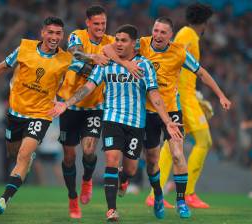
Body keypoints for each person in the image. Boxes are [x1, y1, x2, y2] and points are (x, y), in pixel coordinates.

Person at [49, 24, 183, 222]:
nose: (118, 44)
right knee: (111, 159)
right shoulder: (106, 65)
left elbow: (154, 96)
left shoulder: (144, 65)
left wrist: (168, 121)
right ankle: (111, 210)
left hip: (137, 124)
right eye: (117, 40)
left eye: (123, 40)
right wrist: (66, 104)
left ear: (134, 44)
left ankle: (157, 194)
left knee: (131, 169)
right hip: (112, 119)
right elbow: (88, 87)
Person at [103, 17, 231, 218]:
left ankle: (181, 201)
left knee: (178, 154)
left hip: (171, 112)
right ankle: (136, 183)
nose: (158, 35)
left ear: (171, 35)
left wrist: (221, 95)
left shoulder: (179, 52)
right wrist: (125, 64)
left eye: (163, 32)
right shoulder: (141, 43)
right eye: (156, 30)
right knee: (152, 161)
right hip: (146, 113)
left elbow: (201, 73)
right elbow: (108, 49)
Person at [0, 17, 82, 215]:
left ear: (62, 36)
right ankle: (26, 162)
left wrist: (68, 101)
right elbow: (2, 67)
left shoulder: (66, 59)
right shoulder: (24, 49)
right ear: (42, 33)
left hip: (41, 115)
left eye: (58, 34)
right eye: (50, 32)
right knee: (13, 153)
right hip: (15, 113)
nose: (54, 37)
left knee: (23, 155)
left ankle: (4, 199)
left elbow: (87, 78)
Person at [56, 5, 140, 219]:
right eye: (96, 24)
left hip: (95, 106)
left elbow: (117, 55)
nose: (101, 27)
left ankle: (87, 180)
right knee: (68, 156)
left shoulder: (111, 41)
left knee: (90, 149)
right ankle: (72, 198)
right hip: (70, 104)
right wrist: (94, 58)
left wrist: (124, 63)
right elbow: (75, 54)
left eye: (103, 23)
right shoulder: (78, 36)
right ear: (88, 23)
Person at [146, 3, 216, 209]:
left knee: (171, 144)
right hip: (183, 98)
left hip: (187, 96)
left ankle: (154, 193)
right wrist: (190, 93)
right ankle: (188, 193)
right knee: (204, 141)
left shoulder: (188, 34)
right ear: (204, 22)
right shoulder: (187, 34)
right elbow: (174, 60)